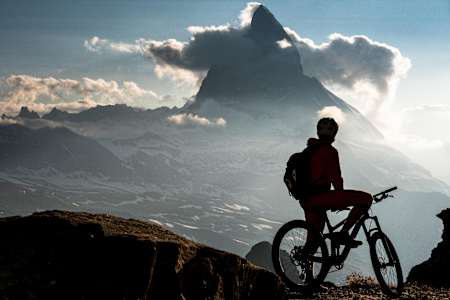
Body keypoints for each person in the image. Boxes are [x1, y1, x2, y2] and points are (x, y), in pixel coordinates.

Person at [301, 117, 373, 247]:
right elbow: (336, 178)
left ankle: (305, 256)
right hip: (321, 197)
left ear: (318, 132)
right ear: (334, 134)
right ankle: (343, 233)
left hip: (306, 199)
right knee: (366, 199)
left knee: (313, 241)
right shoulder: (330, 151)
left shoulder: (308, 150)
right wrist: (340, 200)